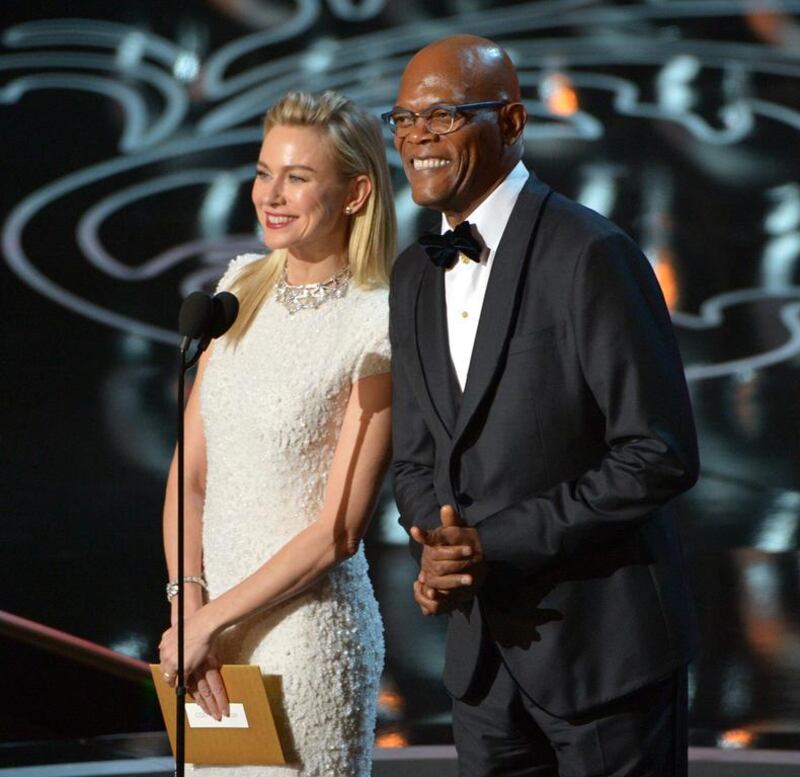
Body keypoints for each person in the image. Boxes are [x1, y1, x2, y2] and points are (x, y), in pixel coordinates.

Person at [387, 35, 699, 776]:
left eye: (443, 116)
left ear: (513, 122)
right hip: (481, 671)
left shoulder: (590, 252)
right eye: (402, 119)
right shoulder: (411, 274)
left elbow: (658, 452)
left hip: (603, 660)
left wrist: (493, 542)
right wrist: (437, 548)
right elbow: (416, 457)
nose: (416, 138)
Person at [158, 90, 396, 776]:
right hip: (205, 641)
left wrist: (207, 623)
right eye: (265, 172)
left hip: (306, 640)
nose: (272, 194)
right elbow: (190, 476)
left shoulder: (374, 323)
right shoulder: (238, 288)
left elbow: (337, 531)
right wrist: (189, 605)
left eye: (298, 176)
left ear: (355, 193)